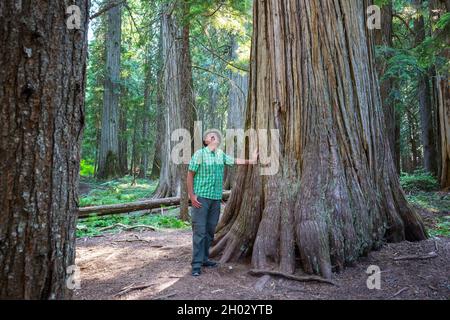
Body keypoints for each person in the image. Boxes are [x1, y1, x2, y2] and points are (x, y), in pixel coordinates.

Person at [187, 129, 258, 277]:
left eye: (215, 135)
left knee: (210, 230)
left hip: (215, 199)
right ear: (206, 141)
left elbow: (235, 161)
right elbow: (190, 174)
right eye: (210, 135)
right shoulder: (199, 154)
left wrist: (251, 160)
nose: (214, 136)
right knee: (199, 230)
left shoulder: (220, 155)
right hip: (201, 198)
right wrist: (192, 196)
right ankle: (196, 264)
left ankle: (205, 259)